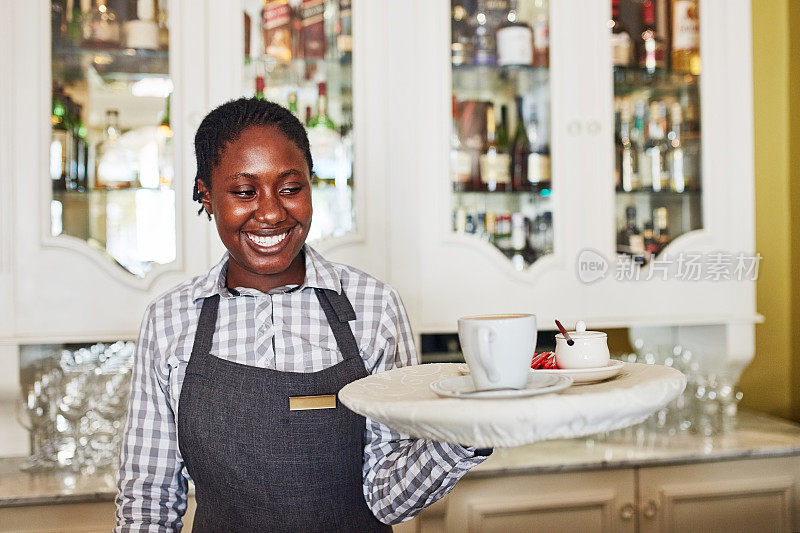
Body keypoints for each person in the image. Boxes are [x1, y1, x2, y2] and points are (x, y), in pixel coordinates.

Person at [115, 97, 491, 532]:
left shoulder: (374, 307)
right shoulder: (170, 321)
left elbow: (388, 499)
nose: (272, 212)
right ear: (206, 194)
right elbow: (148, 499)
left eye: (290, 188)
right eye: (243, 192)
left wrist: (470, 428)